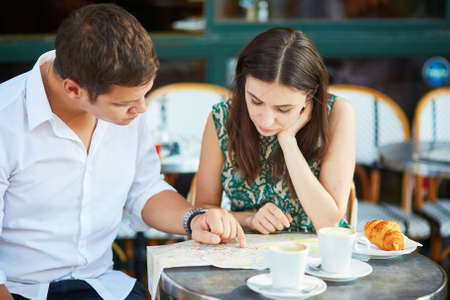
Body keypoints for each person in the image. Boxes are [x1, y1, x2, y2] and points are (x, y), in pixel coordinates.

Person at [0, 4, 245, 300]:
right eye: (125, 103)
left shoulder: (127, 110)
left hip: (103, 284)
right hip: (19, 289)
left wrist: (192, 219)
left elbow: (144, 188)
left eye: (144, 95)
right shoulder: (6, 119)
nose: (141, 109)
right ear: (73, 89)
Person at [195, 27, 355, 234]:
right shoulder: (223, 118)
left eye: (283, 109)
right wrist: (250, 219)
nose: (267, 120)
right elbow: (202, 213)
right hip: (246, 252)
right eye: (255, 101)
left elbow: (328, 222)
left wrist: (288, 142)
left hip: (319, 254)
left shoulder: (336, 113)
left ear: (310, 95)